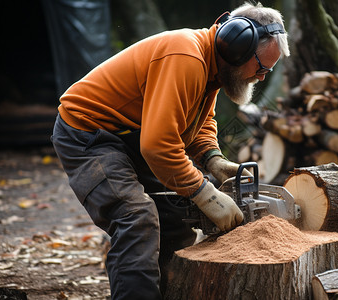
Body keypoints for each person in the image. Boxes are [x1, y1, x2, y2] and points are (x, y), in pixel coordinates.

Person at [51, 2, 290, 299]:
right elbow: (158, 146)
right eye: (262, 67)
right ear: (238, 45)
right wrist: (204, 193)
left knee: (176, 222)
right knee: (136, 218)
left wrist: (211, 158)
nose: (263, 76)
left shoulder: (213, 67)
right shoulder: (186, 56)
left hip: (131, 135)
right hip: (89, 133)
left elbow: (198, 120)